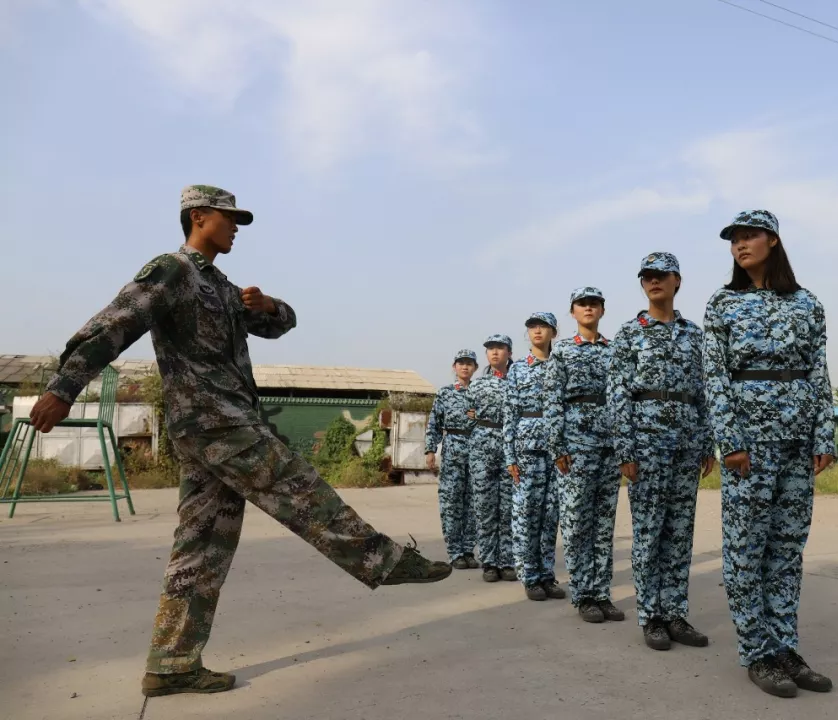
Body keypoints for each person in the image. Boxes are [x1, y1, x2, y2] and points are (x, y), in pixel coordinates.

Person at [26, 185, 452, 698]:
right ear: (198, 217)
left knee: (202, 546)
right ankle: (383, 560)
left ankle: (171, 662)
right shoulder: (171, 271)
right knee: (299, 488)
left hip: (220, 422)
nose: (235, 229)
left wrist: (271, 305)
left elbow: (279, 326)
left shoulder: (222, 287)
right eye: (229, 219)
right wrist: (63, 389)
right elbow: (111, 326)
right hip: (213, 422)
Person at [704, 210, 835, 698]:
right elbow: (715, 378)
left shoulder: (807, 304)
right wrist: (730, 440)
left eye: (748, 236)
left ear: (773, 241)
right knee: (745, 548)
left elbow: (819, 371)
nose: (740, 244)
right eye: (734, 239)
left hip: (798, 439)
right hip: (750, 444)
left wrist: (824, 435)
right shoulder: (723, 304)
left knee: (785, 549)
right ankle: (756, 651)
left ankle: (784, 646)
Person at [607, 252, 716, 651]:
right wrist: (625, 448)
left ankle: (675, 612)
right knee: (649, 531)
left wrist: (708, 442)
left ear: (677, 282)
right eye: (647, 277)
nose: (654, 282)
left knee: (679, 532)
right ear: (642, 284)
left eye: (662, 276)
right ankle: (651, 615)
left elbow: (706, 393)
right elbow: (617, 395)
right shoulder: (628, 334)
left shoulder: (695, 335)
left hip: (686, 445)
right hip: (647, 445)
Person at [543, 287, 625, 624]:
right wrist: (557, 446)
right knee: (577, 522)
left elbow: (622, 399)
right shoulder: (561, 351)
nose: (588, 308)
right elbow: (552, 400)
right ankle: (583, 594)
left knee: (603, 524)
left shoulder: (615, 351)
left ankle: (602, 593)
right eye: (582, 304)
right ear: (573, 312)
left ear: (602, 311)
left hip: (608, 446)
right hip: (575, 446)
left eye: (594, 304)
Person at [505, 312, 565, 602]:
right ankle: (529, 575)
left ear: (554, 332)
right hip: (527, 449)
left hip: (557, 451)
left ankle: (546, 574)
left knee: (551, 515)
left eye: (542, 326)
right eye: (532, 327)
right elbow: (509, 415)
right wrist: (510, 456)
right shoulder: (518, 369)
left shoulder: (561, 364)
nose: (537, 331)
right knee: (526, 514)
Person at [467, 334, 517, 583]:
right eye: (490, 349)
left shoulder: (519, 379)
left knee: (509, 507)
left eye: (500, 348)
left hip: (510, 447)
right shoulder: (476, 385)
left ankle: (507, 561)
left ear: (509, 351)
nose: (495, 352)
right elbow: (468, 414)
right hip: (482, 447)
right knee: (485, 506)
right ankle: (489, 561)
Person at [425, 349, 481, 570]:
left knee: (474, 504)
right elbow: (434, 423)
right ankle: (455, 552)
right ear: (454, 367)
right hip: (453, 450)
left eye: (469, 363)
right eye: (461, 363)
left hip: (478, 451)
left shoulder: (480, 393)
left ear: (475, 367)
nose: (465, 367)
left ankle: (468, 550)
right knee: (451, 503)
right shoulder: (446, 393)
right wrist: (430, 449)